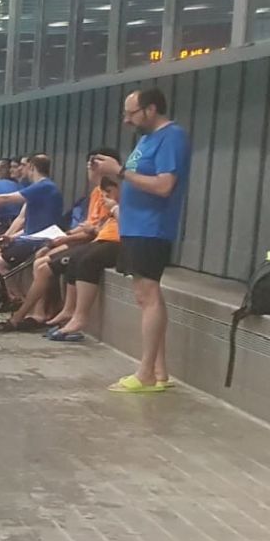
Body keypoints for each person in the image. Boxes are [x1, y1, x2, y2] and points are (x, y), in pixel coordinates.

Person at [109, 87, 189, 393]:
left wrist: (119, 172)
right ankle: (159, 371)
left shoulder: (172, 137)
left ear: (151, 109)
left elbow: (164, 185)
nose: (127, 120)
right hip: (135, 226)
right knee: (146, 296)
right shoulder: (145, 140)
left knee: (148, 295)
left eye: (132, 113)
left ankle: (145, 373)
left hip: (151, 228)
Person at [42, 166, 123, 342]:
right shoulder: (104, 200)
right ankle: (68, 309)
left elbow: (126, 224)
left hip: (119, 242)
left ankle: (81, 316)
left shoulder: (125, 201)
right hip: (102, 238)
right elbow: (99, 225)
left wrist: (115, 208)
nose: (105, 196)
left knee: (88, 260)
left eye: (109, 192)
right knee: (75, 257)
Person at [0, 153, 63, 266]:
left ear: (32, 167)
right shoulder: (39, 188)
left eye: (23, 165)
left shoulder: (43, 186)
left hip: (38, 239)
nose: (19, 168)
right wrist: (11, 237)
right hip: (30, 237)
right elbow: (25, 221)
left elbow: (5, 198)